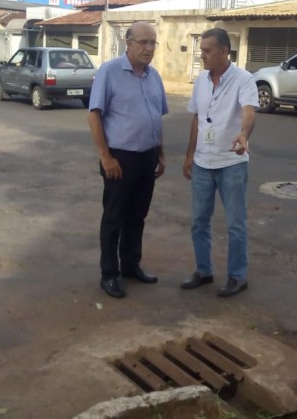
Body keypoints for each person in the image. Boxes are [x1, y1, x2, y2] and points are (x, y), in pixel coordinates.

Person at [87, 21, 168, 299]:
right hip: (119, 159)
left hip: (147, 157)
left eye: (152, 43)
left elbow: (156, 117)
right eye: (143, 42)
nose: (148, 48)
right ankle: (109, 274)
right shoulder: (110, 72)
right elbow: (93, 114)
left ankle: (131, 266)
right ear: (128, 43)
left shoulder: (154, 76)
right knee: (114, 218)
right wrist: (105, 156)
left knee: (137, 217)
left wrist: (160, 152)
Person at [180, 28, 258, 298]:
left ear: (224, 51)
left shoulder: (244, 79)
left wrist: (244, 135)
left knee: (236, 223)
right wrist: (190, 155)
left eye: (207, 51)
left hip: (231, 162)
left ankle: (238, 276)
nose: (202, 55)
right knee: (199, 220)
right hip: (203, 162)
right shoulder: (201, 80)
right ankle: (204, 270)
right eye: (201, 50)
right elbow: (196, 119)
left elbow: (249, 112)